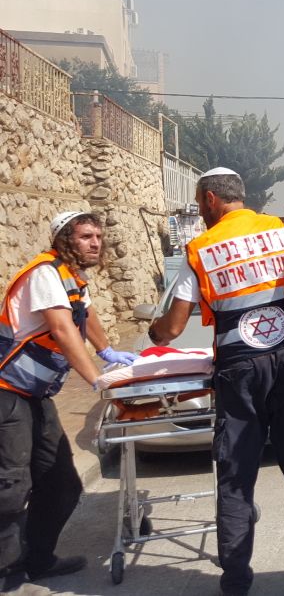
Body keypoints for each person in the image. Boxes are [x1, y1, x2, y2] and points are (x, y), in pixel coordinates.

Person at [147, 169, 284, 596]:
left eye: (200, 204)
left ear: (209, 200)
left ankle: (236, 583)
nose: (201, 210)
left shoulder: (200, 249)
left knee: (236, 478)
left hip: (239, 370)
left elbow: (173, 327)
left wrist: (155, 330)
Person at [0, 211, 138, 595]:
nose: (95, 243)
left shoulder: (72, 278)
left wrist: (107, 350)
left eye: (98, 236)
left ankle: (39, 559)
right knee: (11, 486)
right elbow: (62, 328)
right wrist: (97, 378)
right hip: (6, 391)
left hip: (34, 393)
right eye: (85, 236)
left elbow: (85, 313)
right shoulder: (45, 273)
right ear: (65, 239)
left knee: (62, 483)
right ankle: (8, 578)